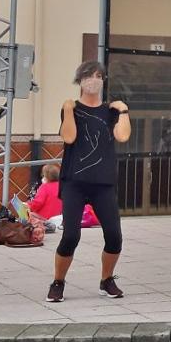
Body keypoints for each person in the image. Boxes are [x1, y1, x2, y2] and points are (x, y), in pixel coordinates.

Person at [46, 61, 131, 303]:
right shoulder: (71, 107)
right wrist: (68, 109)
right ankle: (58, 282)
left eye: (98, 76)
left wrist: (123, 110)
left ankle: (107, 279)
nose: (93, 80)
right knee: (71, 236)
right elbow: (69, 137)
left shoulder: (111, 111)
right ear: (79, 80)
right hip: (75, 180)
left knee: (114, 235)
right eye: (88, 76)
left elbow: (123, 136)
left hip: (103, 182)